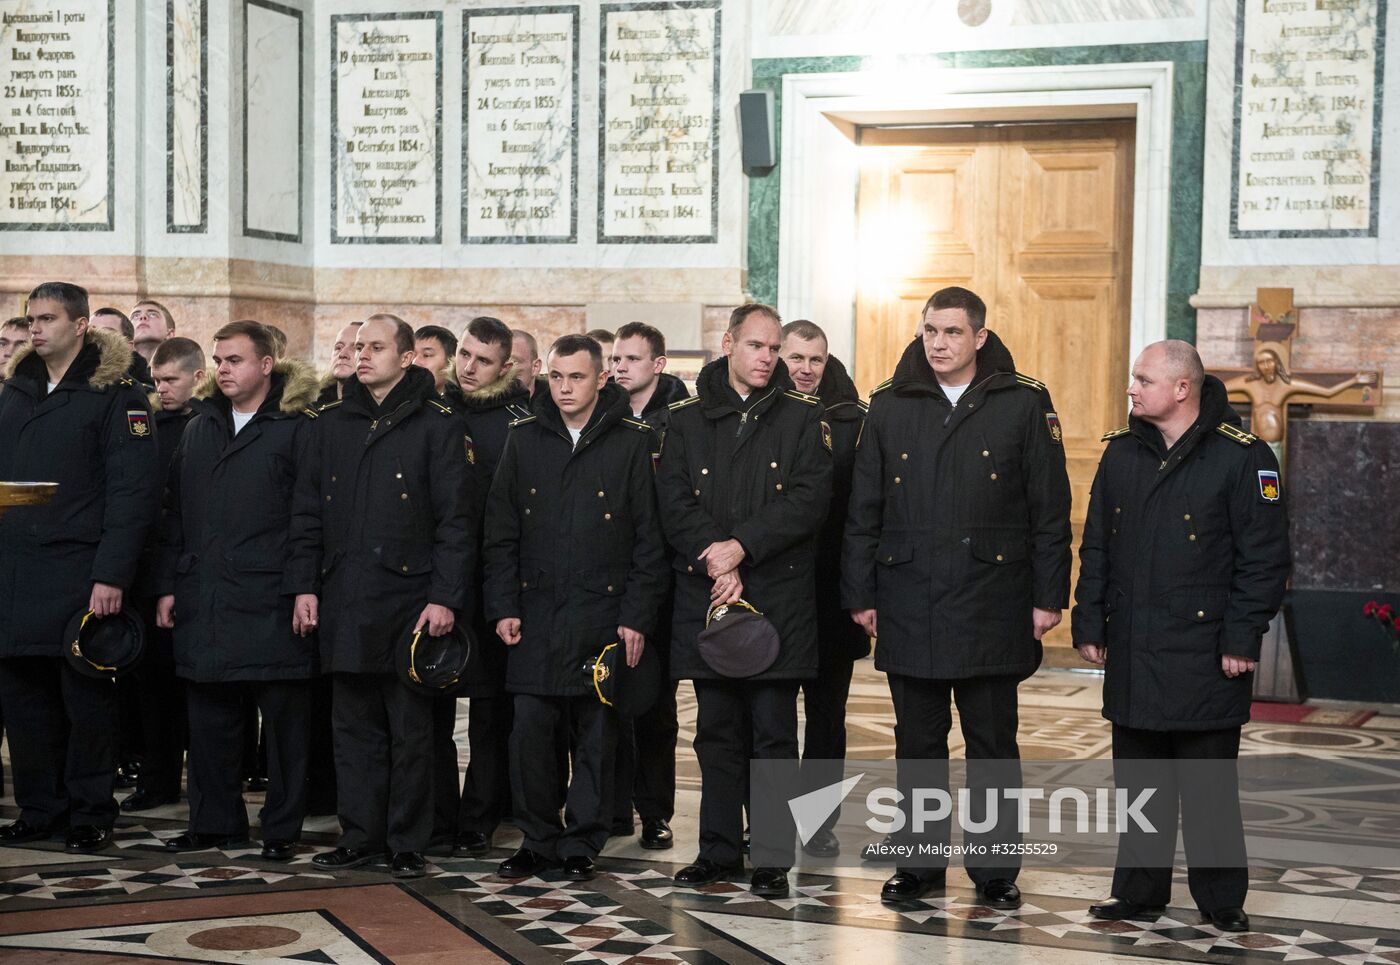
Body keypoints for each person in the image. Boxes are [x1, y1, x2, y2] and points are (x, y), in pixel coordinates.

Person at [842, 286, 1072, 908]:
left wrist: (1050, 595)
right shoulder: (889, 404)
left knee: (992, 742)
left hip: (994, 598)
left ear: (980, 338)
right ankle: (917, 865)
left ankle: (996, 870)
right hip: (909, 595)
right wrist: (860, 592)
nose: (938, 343)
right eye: (929, 331)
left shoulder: (1023, 402)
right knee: (916, 742)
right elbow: (864, 507)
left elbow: (1049, 507)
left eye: (951, 332)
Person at [1073, 340, 1291, 933]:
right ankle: (1138, 892)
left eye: (1142, 378)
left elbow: (1265, 560)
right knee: (1139, 783)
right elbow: (1097, 545)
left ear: (1181, 389)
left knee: (1207, 785)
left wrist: (1243, 638)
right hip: (1134, 644)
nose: (1131, 388)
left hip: (1208, 651)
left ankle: (1221, 899)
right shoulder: (1121, 454)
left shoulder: (1243, 457)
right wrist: (1088, 619)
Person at [656, 303, 833, 898]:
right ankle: (717, 851)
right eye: (757, 345)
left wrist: (741, 549)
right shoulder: (683, 419)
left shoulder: (804, 418)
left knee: (774, 735)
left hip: (777, 598)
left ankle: (772, 856)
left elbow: (809, 500)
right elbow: (673, 499)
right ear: (729, 343)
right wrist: (714, 555)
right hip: (710, 594)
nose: (768, 358)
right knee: (717, 731)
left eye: (775, 348)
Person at [289, 313, 474, 879]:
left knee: (411, 732)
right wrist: (303, 585)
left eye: (376, 347)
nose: (362, 356)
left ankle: (407, 840)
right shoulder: (330, 423)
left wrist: (445, 597)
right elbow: (306, 514)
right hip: (344, 596)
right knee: (352, 729)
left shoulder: (437, 425)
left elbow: (456, 523)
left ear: (406, 357)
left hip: (410, 601)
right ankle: (360, 834)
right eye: (358, 347)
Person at [484, 334, 666, 880]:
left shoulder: (633, 441)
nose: (565, 388)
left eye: (577, 377)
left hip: (602, 616)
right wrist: (502, 605)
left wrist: (636, 616)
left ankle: (582, 842)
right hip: (536, 614)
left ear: (601, 378)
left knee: (596, 737)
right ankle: (537, 840)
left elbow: (648, 541)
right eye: (557, 377)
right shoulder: (524, 438)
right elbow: (500, 531)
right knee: (531, 736)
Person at [0, 282, 159, 854]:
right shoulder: (15, 392)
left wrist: (112, 574)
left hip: (80, 572)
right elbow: (10, 487)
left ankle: (91, 811)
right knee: (25, 699)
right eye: (31, 319)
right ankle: (40, 808)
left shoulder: (116, 395)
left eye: (48, 319)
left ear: (81, 325)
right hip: (15, 571)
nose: (36, 329)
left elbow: (133, 494)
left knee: (86, 701)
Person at [157, 321, 321, 860]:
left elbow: (309, 516)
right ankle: (214, 823)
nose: (224, 369)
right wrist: (169, 585)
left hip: (272, 597)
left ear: (267, 365)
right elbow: (174, 512)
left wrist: (303, 587)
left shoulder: (297, 426)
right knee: (208, 720)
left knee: (284, 729)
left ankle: (280, 830)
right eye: (219, 360)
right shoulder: (200, 425)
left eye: (235, 360)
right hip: (206, 596)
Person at [779, 319, 869, 858]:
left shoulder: (854, 421)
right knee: (768, 718)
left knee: (826, 717)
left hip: (832, 593)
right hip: (772, 590)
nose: (805, 369)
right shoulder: (758, 416)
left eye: (815, 359)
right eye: (795, 358)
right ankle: (763, 818)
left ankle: (818, 823)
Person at [443, 315, 532, 857]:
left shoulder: (518, 423)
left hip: (494, 583)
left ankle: (482, 813)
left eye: (482, 360)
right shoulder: (438, 410)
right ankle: (438, 811)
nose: (469, 367)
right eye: (464, 355)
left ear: (506, 366)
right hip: (440, 581)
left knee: (490, 711)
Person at [606, 322, 688, 848]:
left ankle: (654, 810)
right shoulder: (603, 417)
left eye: (631, 360)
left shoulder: (681, 422)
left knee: (655, 705)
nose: (619, 368)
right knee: (606, 701)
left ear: (657, 365)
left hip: (665, 584)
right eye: (616, 358)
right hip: (610, 582)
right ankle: (612, 809)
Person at [118, 336, 208, 813]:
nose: (162, 388)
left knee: (196, 687)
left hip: (192, 573)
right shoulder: (147, 425)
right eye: (156, 380)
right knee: (152, 687)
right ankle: (157, 779)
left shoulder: (205, 425)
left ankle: (210, 783)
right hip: (151, 573)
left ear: (198, 376)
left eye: (171, 379)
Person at [90, 308, 153, 388]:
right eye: (91, 330)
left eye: (105, 332)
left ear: (128, 346)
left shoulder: (136, 391)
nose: (94, 337)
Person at [317, 321, 363, 404]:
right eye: (338, 348)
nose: (342, 354)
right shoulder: (310, 410)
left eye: (355, 348)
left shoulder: (384, 413)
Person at [414, 325, 457, 396]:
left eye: (427, 355)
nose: (415, 362)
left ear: (450, 363)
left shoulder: (464, 405)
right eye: (413, 355)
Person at [511, 330, 544, 399]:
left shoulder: (559, 406)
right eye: (501, 362)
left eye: (513, 362)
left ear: (535, 367)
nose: (504, 369)